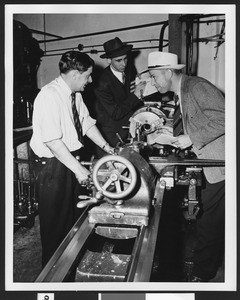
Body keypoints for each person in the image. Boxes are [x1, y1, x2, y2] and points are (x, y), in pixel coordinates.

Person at [30, 51, 114, 267]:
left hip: (71, 162)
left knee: (75, 224)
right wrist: (78, 169)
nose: (91, 80)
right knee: (55, 230)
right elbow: (52, 142)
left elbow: (86, 123)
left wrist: (108, 148)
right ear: (76, 74)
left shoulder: (74, 95)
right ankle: (52, 278)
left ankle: (72, 269)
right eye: (88, 75)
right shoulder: (48, 96)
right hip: (53, 169)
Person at [148, 51, 225, 282]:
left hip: (218, 166)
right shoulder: (183, 90)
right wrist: (165, 132)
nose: (153, 82)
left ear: (168, 73)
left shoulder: (197, 87)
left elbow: (226, 118)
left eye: (154, 76)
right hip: (206, 162)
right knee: (204, 219)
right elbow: (194, 120)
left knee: (209, 223)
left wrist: (191, 138)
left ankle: (203, 275)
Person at [94, 37, 146, 157]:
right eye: (118, 60)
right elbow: (116, 112)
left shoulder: (129, 70)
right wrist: (135, 96)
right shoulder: (101, 83)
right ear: (108, 60)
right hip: (110, 137)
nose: (124, 64)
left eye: (125, 58)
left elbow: (130, 98)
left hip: (128, 131)